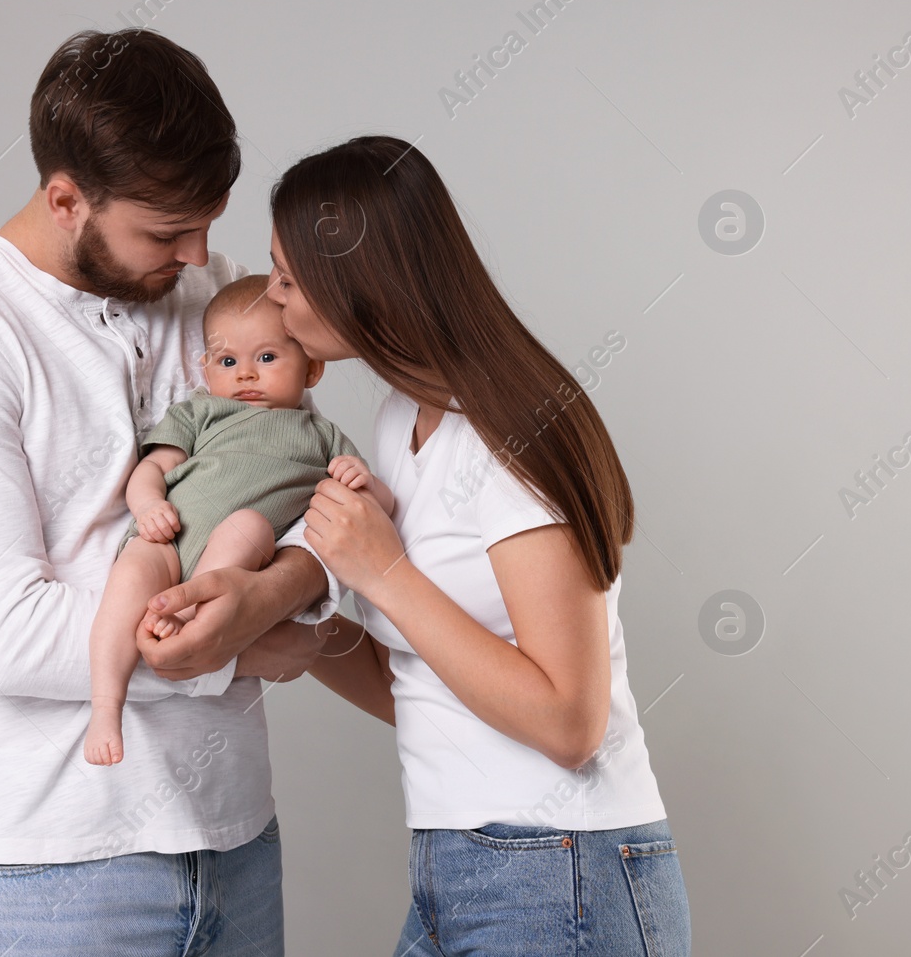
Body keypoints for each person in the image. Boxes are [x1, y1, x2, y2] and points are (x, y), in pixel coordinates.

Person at [0, 29, 341, 956]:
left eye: (208, 221)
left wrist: (278, 593)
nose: (203, 252)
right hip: (49, 870)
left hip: (236, 842)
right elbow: (4, 634)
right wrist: (246, 648)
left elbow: (309, 483)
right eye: (167, 232)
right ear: (65, 199)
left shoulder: (203, 291)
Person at [259, 135, 692, 955]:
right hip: (455, 862)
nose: (272, 299)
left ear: (359, 280)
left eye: (287, 276)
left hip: (564, 866)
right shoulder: (400, 423)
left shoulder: (512, 430)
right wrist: (302, 638)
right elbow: (425, 685)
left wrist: (383, 570)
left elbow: (569, 721)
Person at [87, 277, 394, 765]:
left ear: (311, 369)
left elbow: (373, 507)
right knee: (125, 585)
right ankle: (106, 707)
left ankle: (188, 620)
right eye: (228, 362)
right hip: (166, 537)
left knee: (250, 526)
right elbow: (152, 469)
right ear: (205, 369)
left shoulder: (321, 434)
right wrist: (148, 507)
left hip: (228, 559)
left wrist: (363, 479)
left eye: (267, 359)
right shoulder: (200, 412)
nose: (246, 375)